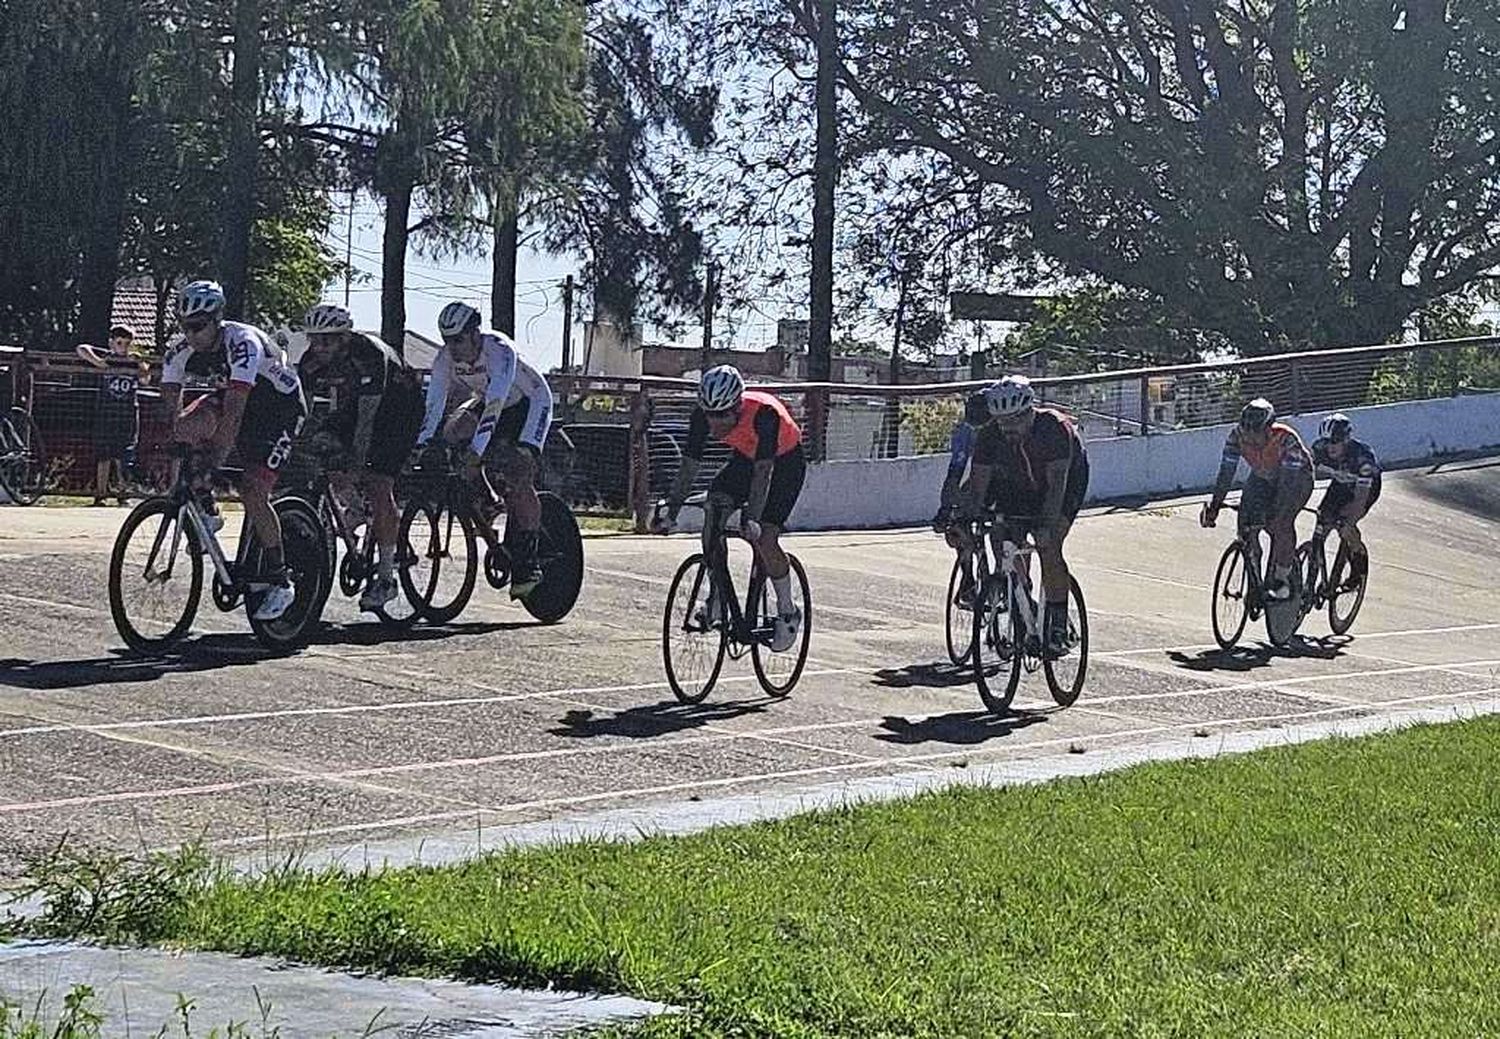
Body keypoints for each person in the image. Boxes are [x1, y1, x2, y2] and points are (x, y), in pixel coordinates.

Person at [159, 280, 307, 621]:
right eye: (185, 327)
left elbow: (236, 412)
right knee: (188, 425)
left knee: (253, 491)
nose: (192, 335)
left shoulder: (242, 343)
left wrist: (215, 459)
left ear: (217, 320)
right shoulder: (180, 350)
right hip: (235, 398)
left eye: (198, 326)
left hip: (278, 408)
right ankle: (206, 508)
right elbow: (170, 404)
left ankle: (279, 577)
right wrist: (172, 443)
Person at [653, 364, 807, 652]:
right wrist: (671, 513)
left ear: (738, 406)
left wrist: (754, 519)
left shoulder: (764, 415)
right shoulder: (703, 417)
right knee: (714, 507)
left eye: (722, 415)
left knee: (765, 537)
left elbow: (764, 473)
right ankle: (717, 597)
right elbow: (688, 467)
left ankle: (788, 611)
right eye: (710, 415)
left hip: (785, 463)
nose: (716, 423)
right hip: (745, 460)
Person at [416, 301, 553, 598]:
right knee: (454, 432)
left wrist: (476, 451)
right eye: (447, 341)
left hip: (528, 404)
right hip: (492, 402)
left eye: (458, 340)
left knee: (518, 474)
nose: (453, 347)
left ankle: (529, 562)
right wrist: (422, 443)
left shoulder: (499, 350)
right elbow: (434, 404)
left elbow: (495, 402)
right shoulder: (444, 360)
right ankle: (488, 500)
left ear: (475, 333)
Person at [298, 303, 425, 612]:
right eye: (314, 339)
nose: (319, 347)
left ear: (345, 337)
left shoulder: (368, 353)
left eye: (327, 340)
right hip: (355, 408)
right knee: (322, 446)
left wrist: (357, 464)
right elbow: (301, 410)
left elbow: (368, 422)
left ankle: (385, 579)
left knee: (378, 482)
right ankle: (356, 509)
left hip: (398, 412)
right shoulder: (310, 362)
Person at [957, 374, 1090, 656]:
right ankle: (1021, 596)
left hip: (1065, 482)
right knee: (1001, 535)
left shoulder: (1053, 428)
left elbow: (1056, 487)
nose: (1009, 428)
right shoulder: (990, 436)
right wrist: (963, 521)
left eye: (1015, 420)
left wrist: (1046, 526)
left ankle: (1056, 623)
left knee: (1048, 544)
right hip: (1018, 483)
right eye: (1002, 422)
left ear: (1030, 412)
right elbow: (978, 488)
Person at [1199, 398, 1312, 601]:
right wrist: (1215, 506)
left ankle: (1281, 579)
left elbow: (1287, 487)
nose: (1251, 437)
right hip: (1263, 476)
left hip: (1297, 479)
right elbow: (1226, 474)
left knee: (1279, 524)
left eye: (1256, 433)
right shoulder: (1236, 436)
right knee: (1246, 527)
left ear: (1269, 429)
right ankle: (1255, 578)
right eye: (1247, 431)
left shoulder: (1286, 439)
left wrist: (1276, 512)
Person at [76, 324, 148, 506]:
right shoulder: (106, 357)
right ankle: (100, 494)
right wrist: (98, 362)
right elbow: (81, 348)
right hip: (106, 412)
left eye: (126, 343)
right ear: (112, 343)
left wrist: (141, 365)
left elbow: (145, 380)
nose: (122, 347)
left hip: (127, 414)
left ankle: (123, 493)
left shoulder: (133, 360)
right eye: (119, 343)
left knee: (124, 455)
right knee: (104, 455)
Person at [932, 390, 990, 609]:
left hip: (1003, 477)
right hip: (978, 477)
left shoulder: (1003, 429)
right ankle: (968, 578)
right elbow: (955, 472)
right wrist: (945, 509)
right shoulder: (964, 432)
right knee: (956, 524)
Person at [1310, 412, 1380, 590]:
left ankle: (1357, 556)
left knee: (1345, 527)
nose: (1330, 447)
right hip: (1341, 484)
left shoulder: (1362, 459)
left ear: (1346, 440)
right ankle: (1310, 577)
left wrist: (1350, 522)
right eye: (1327, 442)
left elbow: (1360, 499)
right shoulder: (1318, 450)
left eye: (1335, 442)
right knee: (1322, 522)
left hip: (1365, 489)